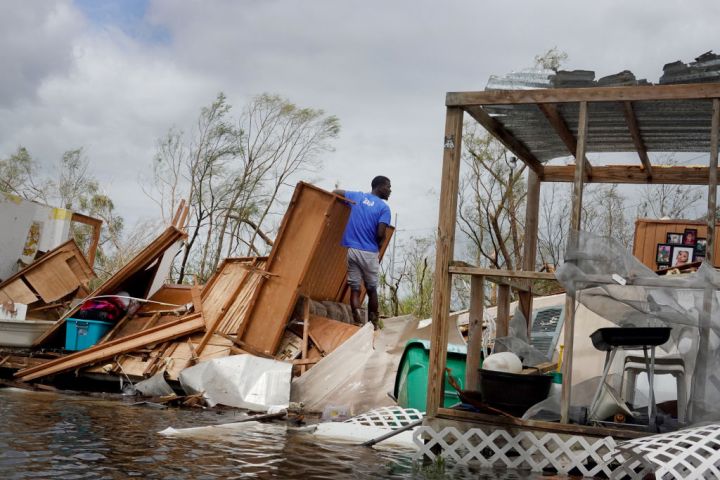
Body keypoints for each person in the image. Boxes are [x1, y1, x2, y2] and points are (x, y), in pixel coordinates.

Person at [333, 176, 391, 329]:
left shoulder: (357, 196)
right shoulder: (384, 208)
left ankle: (357, 321)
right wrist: (382, 240)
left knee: (355, 288)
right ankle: (374, 325)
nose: (390, 190)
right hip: (369, 253)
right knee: (371, 289)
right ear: (379, 187)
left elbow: (335, 191)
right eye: (388, 187)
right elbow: (380, 233)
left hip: (352, 251)